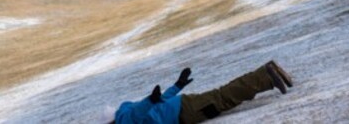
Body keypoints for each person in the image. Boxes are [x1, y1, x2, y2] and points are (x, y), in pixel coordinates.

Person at [112, 61, 292, 124]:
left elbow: (139, 112)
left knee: (223, 99)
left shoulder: (125, 120)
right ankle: (269, 73)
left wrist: (150, 100)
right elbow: (160, 100)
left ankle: (267, 76)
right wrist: (178, 85)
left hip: (185, 113)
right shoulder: (124, 111)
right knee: (222, 96)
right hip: (183, 105)